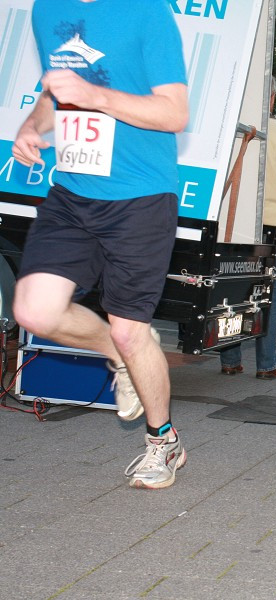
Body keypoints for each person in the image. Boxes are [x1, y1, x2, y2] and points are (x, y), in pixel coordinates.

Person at [11, 0, 188, 488]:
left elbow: (175, 112)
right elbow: (55, 93)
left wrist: (95, 95)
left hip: (141, 196)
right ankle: (123, 352)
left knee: (132, 329)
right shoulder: (47, 12)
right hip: (73, 190)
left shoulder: (147, 14)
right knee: (34, 312)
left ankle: (163, 443)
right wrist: (32, 126)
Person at [220, 78, 276, 379]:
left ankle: (230, 359)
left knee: (232, 292)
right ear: (271, 99)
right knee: (268, 293)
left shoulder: (231, 127)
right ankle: (266, 364)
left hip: (233, 222)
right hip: (273, 224)